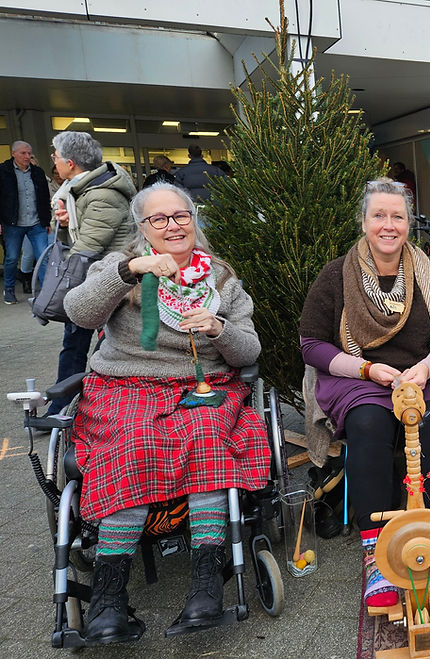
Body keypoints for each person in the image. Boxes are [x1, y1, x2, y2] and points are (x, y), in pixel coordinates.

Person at [63, 182, 270, 644]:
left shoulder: (220, 279)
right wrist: (129, 271)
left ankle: (205, 585)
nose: (172, 226)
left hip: (201, 386)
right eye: (159, 218)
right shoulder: (119, 267)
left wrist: (218, 328)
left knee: (207, 433)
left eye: (180, 215)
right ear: (142, 227)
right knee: (132, 440)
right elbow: (78, 312)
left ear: (194, 219)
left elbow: (249, 351)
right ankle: (108, 600)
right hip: (126, 385)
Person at [299, 178, 430, 610]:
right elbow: (312, 345)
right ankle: (376, 553)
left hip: (424, 373)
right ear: (363, 221)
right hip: (359, 377)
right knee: (368, 423)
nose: (388, 225)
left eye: (398, 216)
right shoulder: (336, 275)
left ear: (409, 224)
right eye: (379, 215)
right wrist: (368, 369)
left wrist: (426, 368)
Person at [48, 131, 138, 415]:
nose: (53, 160)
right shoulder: (79, 191)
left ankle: (82, 405)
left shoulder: (102, 193)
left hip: (108, 282)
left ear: (70, 163)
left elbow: (88, 245)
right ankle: (64, 404)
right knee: (76, 342)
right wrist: (65, 223)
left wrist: (61, 286)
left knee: (99, 343)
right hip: (92, 277)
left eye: (55, 156)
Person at [1, 140, 52, 303]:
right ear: (13, 153)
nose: (27, 156)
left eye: (29, 153)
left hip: (36, 223)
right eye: (23, 153)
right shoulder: (3, 171)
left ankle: (45, 293)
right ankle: (9, 290)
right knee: (12, 258)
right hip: (13, 223)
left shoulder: (37, 172)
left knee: (43, 257)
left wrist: (47, 220)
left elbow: (44, 198)